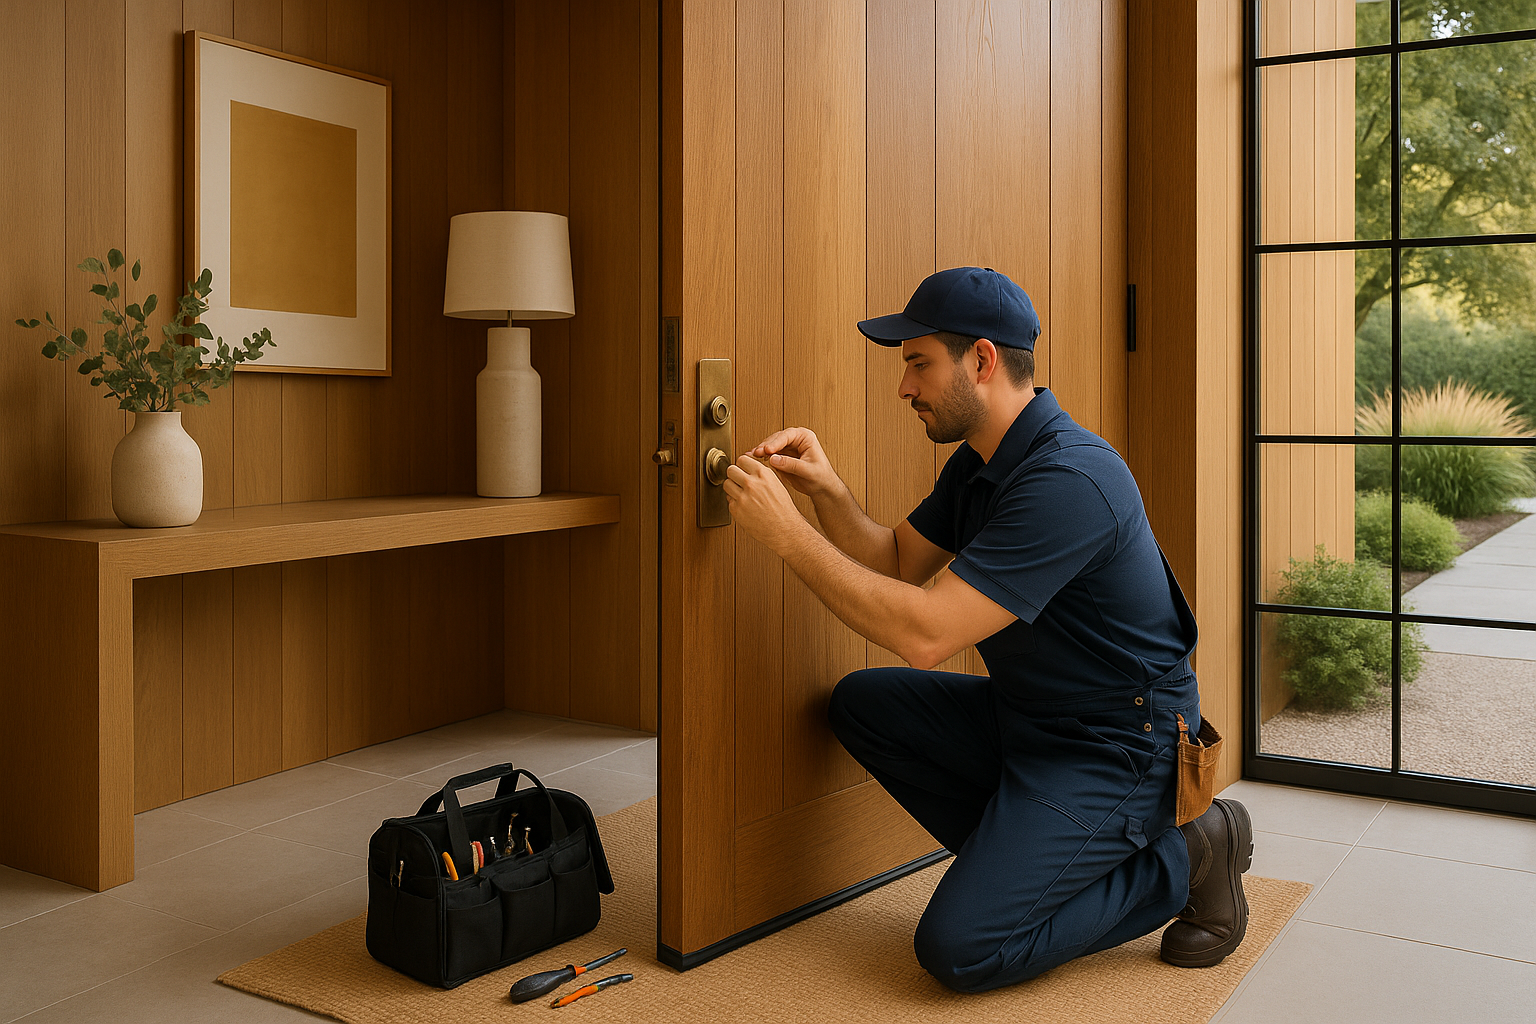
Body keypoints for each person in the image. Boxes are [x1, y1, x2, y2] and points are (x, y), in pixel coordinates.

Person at [720, 266, 1253, 992]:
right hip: (1032, 719)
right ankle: (1034, 858)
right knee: (862, 705)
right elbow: (900, 561)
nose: (904, 386)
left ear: (981, 359)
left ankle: (1188, 852)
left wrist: (787, 538)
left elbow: (926, 635)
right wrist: (825, 492)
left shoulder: (1068, 479)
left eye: (917, 363)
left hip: (1121, 745)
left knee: (959, 948)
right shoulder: (983, 461)